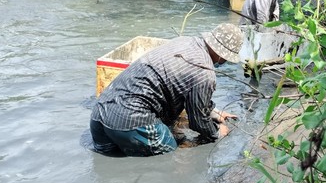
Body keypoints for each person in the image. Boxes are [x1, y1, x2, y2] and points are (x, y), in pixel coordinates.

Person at [90, 23, 244, 157]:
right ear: (223, 55)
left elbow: (186, 88)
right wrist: (217, 133)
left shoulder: (184, 41)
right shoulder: (205, 72)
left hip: (100, 114)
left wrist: (214, 112)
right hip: (130, 121)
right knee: (171, 154)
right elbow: (198, 121)